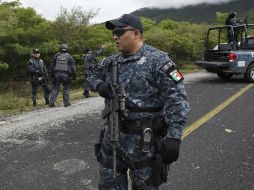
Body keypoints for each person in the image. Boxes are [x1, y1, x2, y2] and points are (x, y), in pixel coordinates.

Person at [87, 14, 190, 189]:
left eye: (119, 32)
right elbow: (91, 75)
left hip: (144, 143)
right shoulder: (112, 61)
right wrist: (100, 85)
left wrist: (174, 136)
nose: (114, 37)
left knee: (145, 186)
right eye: (113, 33)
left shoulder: (158, 60)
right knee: (108, 185)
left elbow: (177, 100)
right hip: (113, 138)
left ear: (135, 33)